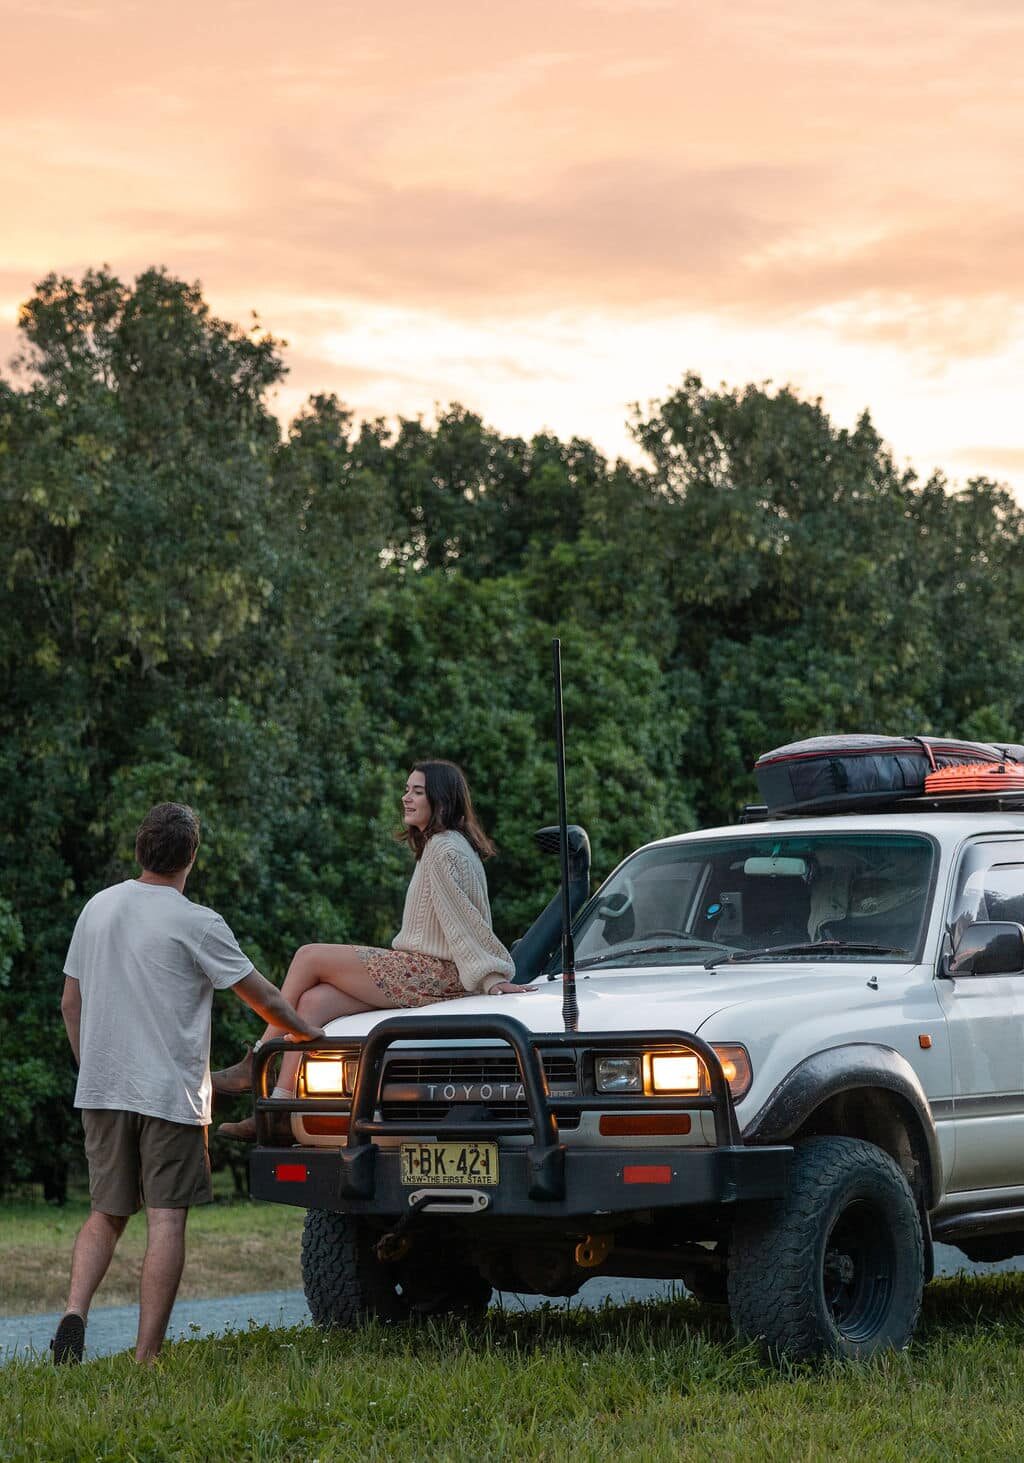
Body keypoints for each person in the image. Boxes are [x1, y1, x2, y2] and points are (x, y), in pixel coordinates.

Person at [52, 802, 324, 1366]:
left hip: (101, 1090)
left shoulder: (97, 908)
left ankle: (74, 1312)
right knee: (166, 1218)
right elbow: (264, 996)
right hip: (170, 1096)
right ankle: (146, 1356)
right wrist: (307, 1033)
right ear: (190, 858)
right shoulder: (197, 922)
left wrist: (91, 1066)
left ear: (139, 849)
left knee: (105, 1213)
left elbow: (70, 1002)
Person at [214, 760, 533, 1138]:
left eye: (417, 791)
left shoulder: (444, 850)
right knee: (314, 1003)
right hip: (424, 971)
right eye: (407, 789)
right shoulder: (445, 846)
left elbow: (462, 921)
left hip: (431, 973)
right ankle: (280, 1111)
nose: (406, 797)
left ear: (441, 799)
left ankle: (255, 1062)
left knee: (308, 956)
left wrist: (491, 977)